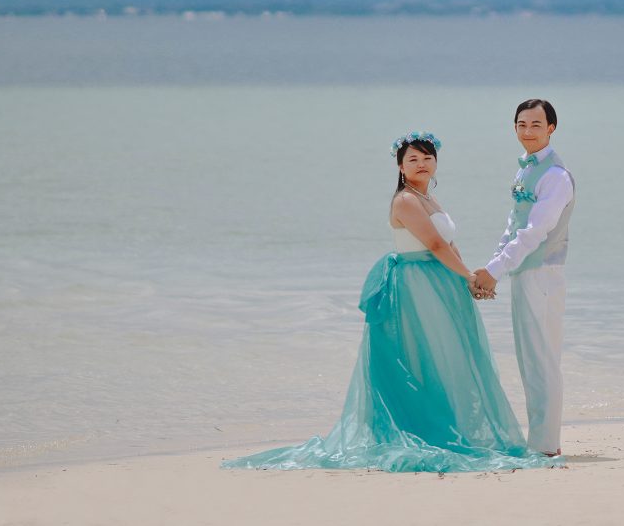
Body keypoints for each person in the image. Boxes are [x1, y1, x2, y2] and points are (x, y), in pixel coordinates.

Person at [221, 131, 556, 473]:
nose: (421, 164)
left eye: (427, 158)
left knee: (445, 356)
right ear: (400, 166)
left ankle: (446, 424)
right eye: (413, 159)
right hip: (416, 285)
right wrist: (470, 277)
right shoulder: (405, 201)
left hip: (440, 282)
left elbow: (449, 244)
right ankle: (418, 428)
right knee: (419, 356)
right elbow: (435, 245)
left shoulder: (429, 198)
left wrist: (466, 279)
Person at [472, 99, 575, 457]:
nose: (528, 131)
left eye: (536, 124)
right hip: (524, 271)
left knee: (542, 359)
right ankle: (540, 441)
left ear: (551, 128)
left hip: (544, 273)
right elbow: (512, 225)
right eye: (521, 124)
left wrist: (495, 271)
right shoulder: (525, 171)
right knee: (529, 359)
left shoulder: (556, 176)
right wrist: (492, 267)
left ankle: (546, 446)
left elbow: (534, 232)